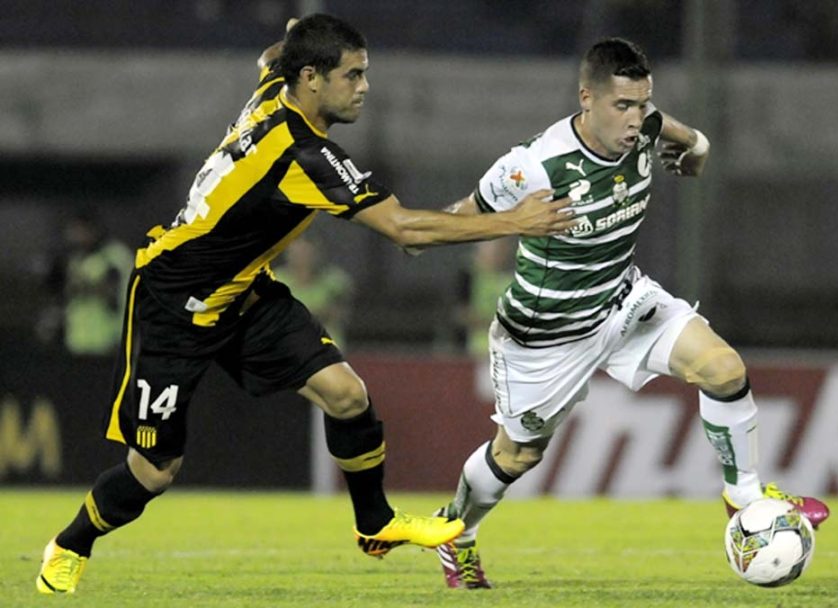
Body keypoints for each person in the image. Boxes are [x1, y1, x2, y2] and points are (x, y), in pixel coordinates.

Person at [35, 14, 575, 595]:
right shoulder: (303, 156)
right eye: (354, 75)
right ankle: (69, 544)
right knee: (154, 472)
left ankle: (375, 524)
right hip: (174, 303)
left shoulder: (276, 86)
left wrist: (297, 36)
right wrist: (515, 221)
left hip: (243, 292)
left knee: (347, 395)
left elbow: (269, 57)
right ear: (313, 79)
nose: (365, 87)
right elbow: (402, 230)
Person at [432, 38, 830, 590]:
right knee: (518, 454)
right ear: (586, 99)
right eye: (622, 106)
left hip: (623, 301)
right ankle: (456, 533)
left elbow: (676, 131)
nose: (635, 119)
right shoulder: (533, 166)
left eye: (642, 104)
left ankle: (744, 498)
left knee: (724, 369)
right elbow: (449, 223)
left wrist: (698, 146)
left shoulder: (642, 126)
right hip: (546, 334)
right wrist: (511, 222)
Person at [35, 210, 133, 356]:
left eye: (80, 230)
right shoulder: (76, 258)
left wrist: (78, 286)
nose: (75, 236)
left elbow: (110, 289)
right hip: (78, 342)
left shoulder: (114, 255)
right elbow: (64, 295)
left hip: (109, 341)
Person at [273, 236, 354, 349]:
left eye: (306, 252)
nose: (302, 258)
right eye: (297, 253)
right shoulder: (276, 280)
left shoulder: (335, 281)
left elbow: (339, 313)